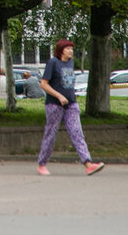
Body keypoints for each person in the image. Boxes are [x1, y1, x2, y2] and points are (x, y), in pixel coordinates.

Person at [36, 39, 105, 176]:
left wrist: (70, 95)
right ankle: (42, 164)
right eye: (68, 48)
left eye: (72, 49)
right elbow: (43, 84)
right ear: (61, 50)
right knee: (50, 134)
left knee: (77, 133)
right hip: (54, 105)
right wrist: (59, 96)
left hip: (71, 104)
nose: (71, 51)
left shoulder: (70, 63)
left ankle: (88, 164)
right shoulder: (53, 63)